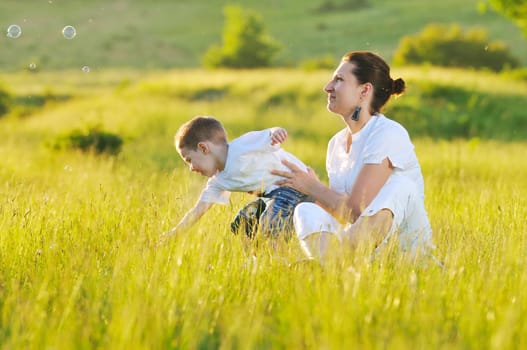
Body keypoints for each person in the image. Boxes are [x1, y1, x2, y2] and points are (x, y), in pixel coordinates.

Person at [271, 51, 435, 261]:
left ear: (364, 90)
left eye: (339, 80)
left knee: (401, 186)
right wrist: (297, 188)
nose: (327, 87)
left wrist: (314, 186)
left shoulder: (388, 133)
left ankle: (331, 265)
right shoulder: (336, 144)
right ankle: (333, 267)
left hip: (404, 254)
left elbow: (359, 210)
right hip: (361, 253)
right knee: (306, 210)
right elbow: (344, 215)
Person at [163, 116, 310, 240]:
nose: (191, 168)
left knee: (269, 222)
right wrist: (174, 233)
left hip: (293, 183)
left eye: (189, 160)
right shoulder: (218, 182)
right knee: (242, 225)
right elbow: (197, 210)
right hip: (273, 195)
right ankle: (255, 261)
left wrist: (276, 132)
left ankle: (280, 264)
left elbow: (268, 134)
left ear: (203, 148)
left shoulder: (242, 147)